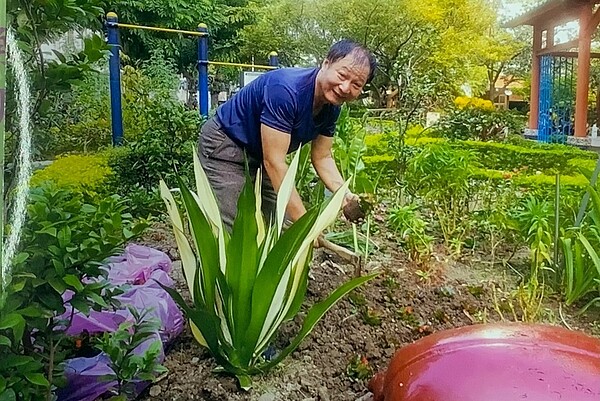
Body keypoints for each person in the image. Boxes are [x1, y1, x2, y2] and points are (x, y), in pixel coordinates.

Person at [198, 40, 376, 231]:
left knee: (283, 228)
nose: (345, 87)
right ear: (326, 64)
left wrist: (345, 196)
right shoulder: (286, 90)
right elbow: (274, 162)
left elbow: (323, 157)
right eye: (342, 75)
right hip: (226, 146)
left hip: (261, 155)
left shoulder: (332, 107)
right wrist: (305, 225)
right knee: (236, 230)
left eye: (356, 84)